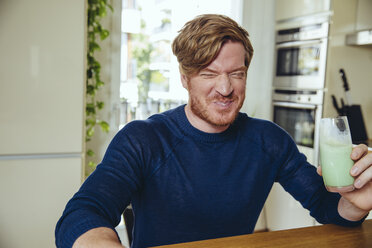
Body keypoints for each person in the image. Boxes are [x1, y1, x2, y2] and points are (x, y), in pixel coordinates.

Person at [55, 14, 372, 248]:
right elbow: (83, 212)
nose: (225, 88)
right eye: (209, 73)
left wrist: (355, 203)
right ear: (184, 77)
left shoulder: (269, 140)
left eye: (237, 73)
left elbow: (326, 206)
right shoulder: (142, 139)